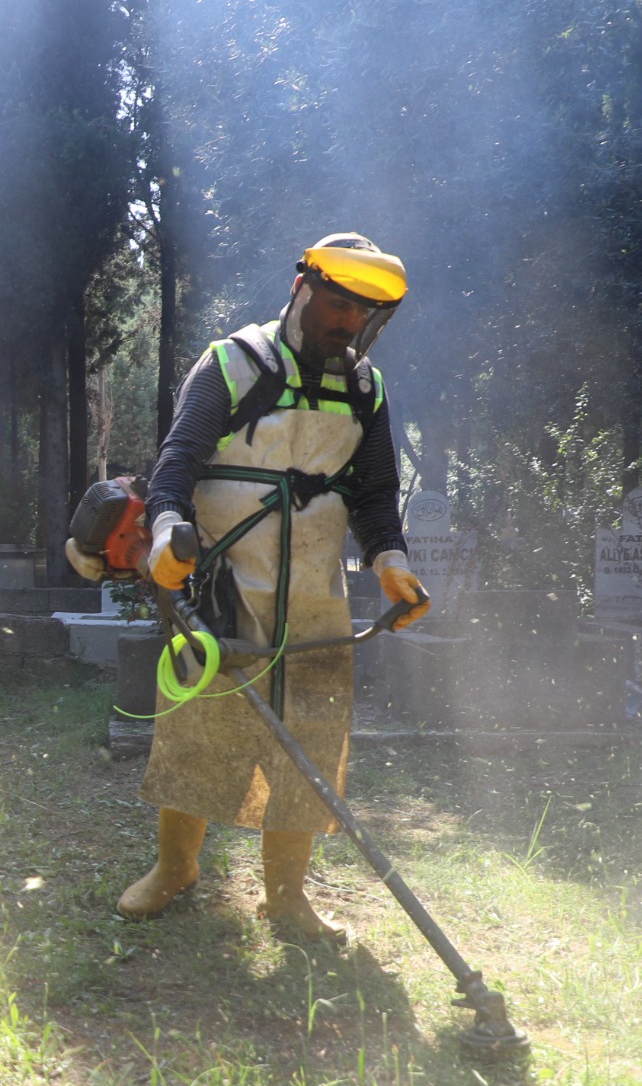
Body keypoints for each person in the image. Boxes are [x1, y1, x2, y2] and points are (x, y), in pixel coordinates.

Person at [115, 233, 429, 941]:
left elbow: (377, 496)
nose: (346, 323)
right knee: (200, 728)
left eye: (361, 313)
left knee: (310, 742)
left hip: (315, 591)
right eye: (336, 304)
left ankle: (287, 897)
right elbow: (176, 466)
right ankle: (175, 869)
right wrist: (168, 537)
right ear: (301, 289)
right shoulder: (231, 365)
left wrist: (391, 561)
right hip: (224, 582)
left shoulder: (365, 389)